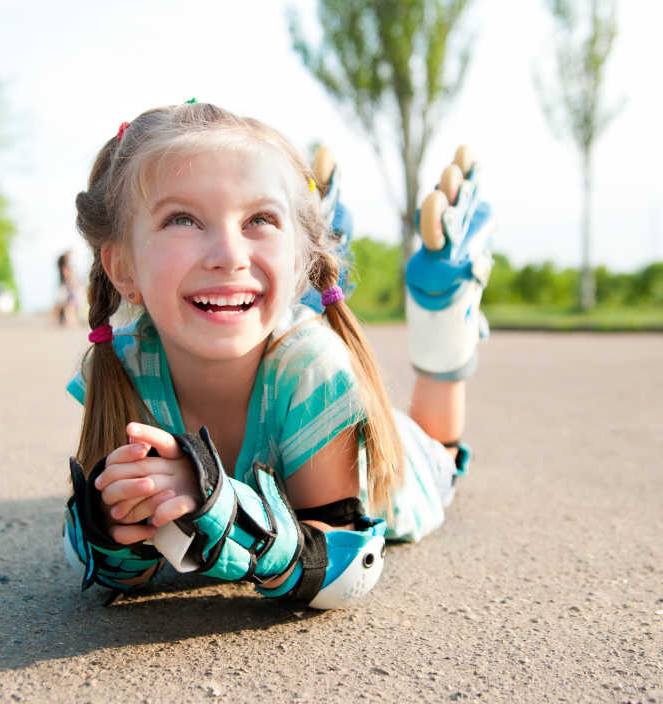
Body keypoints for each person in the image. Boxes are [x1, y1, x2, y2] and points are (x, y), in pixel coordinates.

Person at [62, 102, 494, 609]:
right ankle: (300, 259)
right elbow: (105, 564)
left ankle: (444, 311)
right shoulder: (122, 368)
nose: (229, 253)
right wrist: (118, 522)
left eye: (259, 219)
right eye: (183, 219)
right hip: (297, 386)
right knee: (261, 310)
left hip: (398, 460)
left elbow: (346, 565)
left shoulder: (316, 370)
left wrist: (216, 501)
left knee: (440, 453)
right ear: (122, 267)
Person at [54, 250, 86, 326]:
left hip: (66, 287)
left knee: (67, 305)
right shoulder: (64, 267)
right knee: (64, 304)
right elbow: (68, 277)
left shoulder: (65, 267)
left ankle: (66, 321)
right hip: (65, 287)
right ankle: (64, 321)